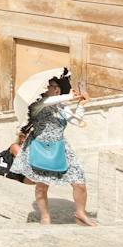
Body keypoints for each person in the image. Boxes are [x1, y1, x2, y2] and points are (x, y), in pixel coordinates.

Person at [11, 72, 96, 226]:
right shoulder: (37, 105)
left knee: (79, 182)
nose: (57, 89)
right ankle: (45, 217)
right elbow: (48, 101)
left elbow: (76, 121)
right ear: (45, 89)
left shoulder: (61, 106)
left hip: (61, 148)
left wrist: (81, 105)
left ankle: (80, 213)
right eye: (53, 86)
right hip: (40, 147)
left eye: (58, 87)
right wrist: (70, 96)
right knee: (41, 186)